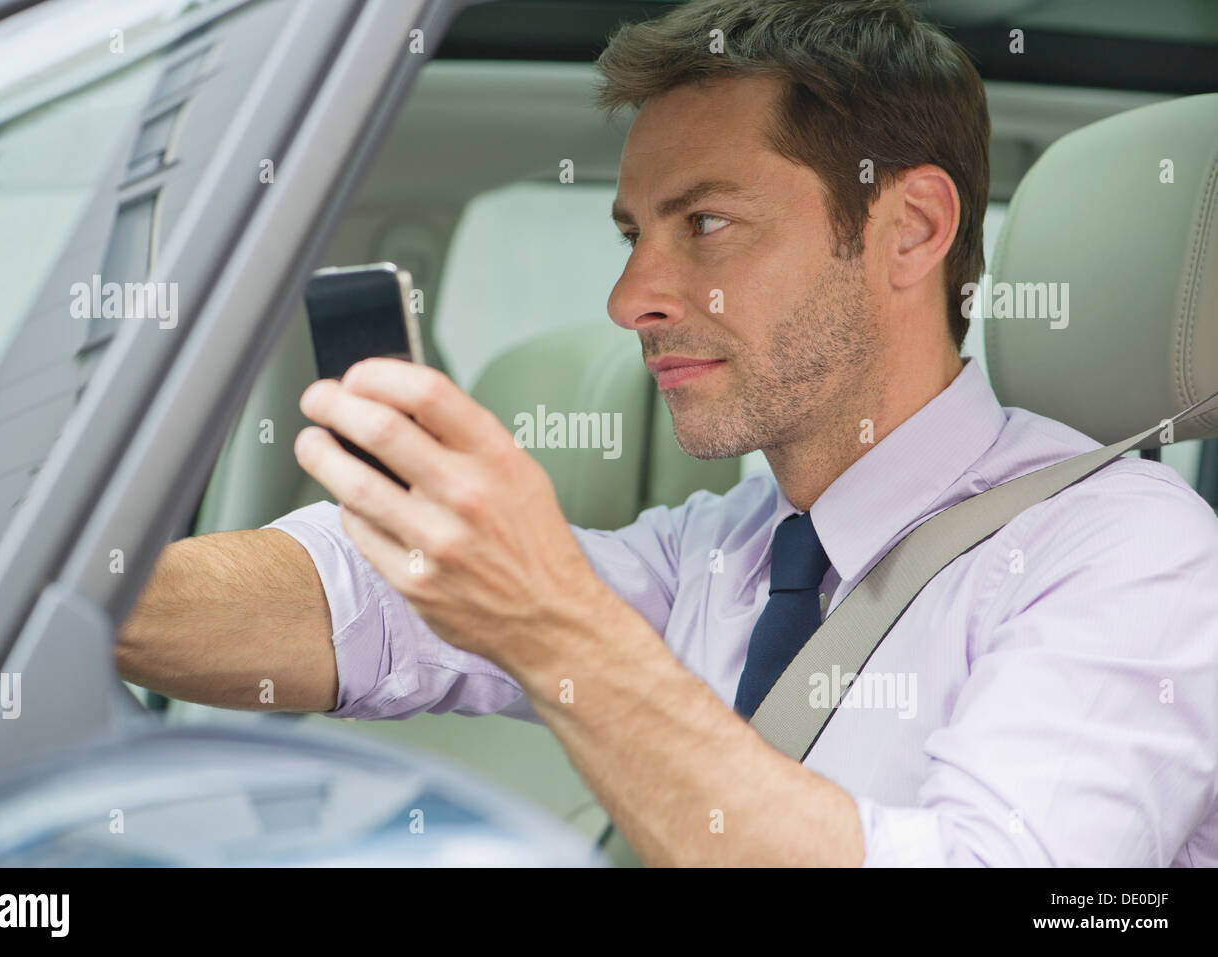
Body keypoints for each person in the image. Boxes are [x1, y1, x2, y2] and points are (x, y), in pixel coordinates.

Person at [117, 0, 1218, 866]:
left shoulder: (1132, 559)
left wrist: (551, 627)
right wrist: (30, 609)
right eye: (634, 232)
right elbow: (367, 605)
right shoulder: (721, 547)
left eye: (706, 223)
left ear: (909, 229)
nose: (631, 295)